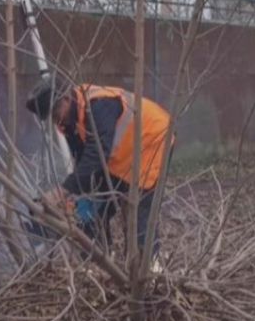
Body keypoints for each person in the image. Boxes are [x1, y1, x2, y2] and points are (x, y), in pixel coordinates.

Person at [25, 76, 173, 270]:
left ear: (66, 100)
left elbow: (96, 154)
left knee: (138, 211)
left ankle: (149, 272)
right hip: (119, 156)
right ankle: (99, 264)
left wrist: (61, 192)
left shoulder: (99, 105)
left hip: (151, 141)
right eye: (51, 118)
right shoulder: (68, 121)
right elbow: (84, 163)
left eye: (55, 114)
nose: (55, 120)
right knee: (91, 212)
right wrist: (76, 201)